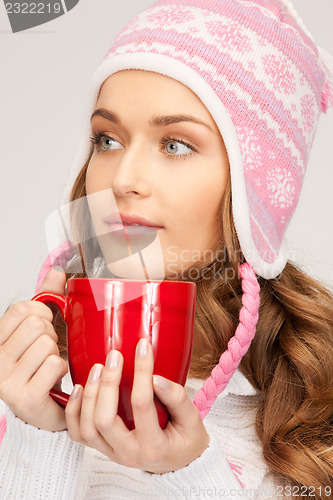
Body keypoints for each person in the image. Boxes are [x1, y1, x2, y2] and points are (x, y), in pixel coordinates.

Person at [0, 0, 333, 498]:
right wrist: (41, 437)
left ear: (254, 192)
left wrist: (189, 472)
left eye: (175, 144)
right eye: (106, 139)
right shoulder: (28, 385)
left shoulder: (309, 420)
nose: (124, 179)